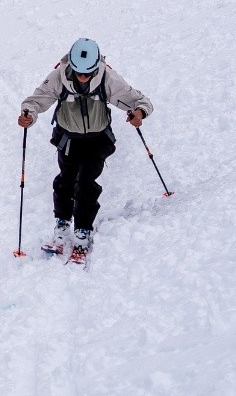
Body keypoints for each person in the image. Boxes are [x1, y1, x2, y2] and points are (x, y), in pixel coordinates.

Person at [17, 38, 152, 257]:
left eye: (87, 73)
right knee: (66, 180)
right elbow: (35, 101)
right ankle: (61, 224)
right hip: (68, 138)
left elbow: (140, 101)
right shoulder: (58, 77)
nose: (82, 77)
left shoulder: (107, 78)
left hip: (97, 140)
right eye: (79, 72)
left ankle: (83, 229)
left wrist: (139, 113)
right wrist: (28, 116)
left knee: (86, 182)